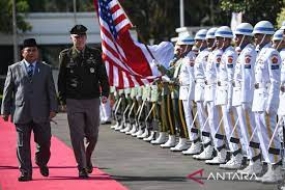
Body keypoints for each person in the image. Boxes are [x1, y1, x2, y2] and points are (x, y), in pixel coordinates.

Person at [1, 38, 58, 181]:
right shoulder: (13, 69)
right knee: (22, 144)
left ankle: (41, 161)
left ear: (37, 52)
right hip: (21, 112)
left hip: (42, 113)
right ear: (22, 52)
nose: (31, 53)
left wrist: (53, 108)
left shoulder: (46, 68)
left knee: (45, 142)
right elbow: (8, 91)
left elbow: (51, 90)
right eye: (28, 50)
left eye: (34, 50)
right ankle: (25, 172)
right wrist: (5, 110)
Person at [57, 24, 110, 178]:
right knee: (77, 135)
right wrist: (62, 100)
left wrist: (105, 93)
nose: (79, 39)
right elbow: (61, 80)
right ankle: (81, 166)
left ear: (86, 38)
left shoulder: (95, 53)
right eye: (76, 37)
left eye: (81, 37)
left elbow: (102, 76)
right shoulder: (65, 55)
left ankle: (87, 157)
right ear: (71, 38)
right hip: (73, 100)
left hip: (92, 99)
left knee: (93, 135)